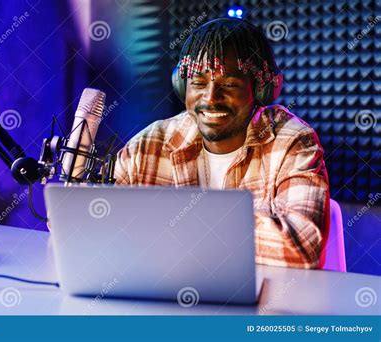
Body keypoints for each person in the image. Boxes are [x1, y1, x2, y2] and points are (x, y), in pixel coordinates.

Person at [114, 18, 330, 269]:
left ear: (262, 90)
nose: (211, 99)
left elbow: (302, 247)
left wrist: (177, 225)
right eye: (198, 83)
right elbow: (93, 222)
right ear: (182, 86)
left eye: (229, 84)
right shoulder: (149, 144)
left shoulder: (292, 142)